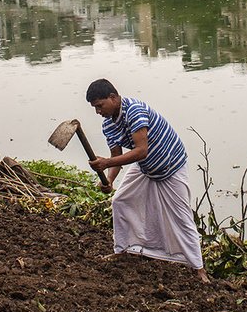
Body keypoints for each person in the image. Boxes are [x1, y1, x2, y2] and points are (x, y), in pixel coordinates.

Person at [84, 79, 208, 283]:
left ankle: (198, 268)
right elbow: (117, 156)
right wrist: (109, 179)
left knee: (182, 218)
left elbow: (141, 151)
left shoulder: (135, 111)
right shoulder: (108, 125)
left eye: (100, 106)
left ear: (113, 98)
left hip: (170, 165)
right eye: (95, 108)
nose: (98, 112)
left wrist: (106, 163)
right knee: (119, 201)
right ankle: (122, 250)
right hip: (145, 167)